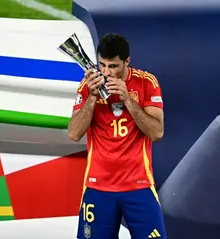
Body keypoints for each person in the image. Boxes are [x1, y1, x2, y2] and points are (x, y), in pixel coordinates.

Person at [68, 33, 166, 239]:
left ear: (127, 62)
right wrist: (92, 98)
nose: (105, 72)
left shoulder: (146, 83)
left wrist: (128, 99)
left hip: (138, 185)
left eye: (113, 66)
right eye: (102, 65)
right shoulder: (88, 86)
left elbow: (156, 132)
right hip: (98, 185)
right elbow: (74, 133)